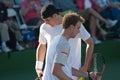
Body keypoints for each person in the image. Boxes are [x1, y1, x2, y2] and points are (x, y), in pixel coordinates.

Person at [35, 4, 94, 80]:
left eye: (47, 20)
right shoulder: (62, 43)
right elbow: (56, 70)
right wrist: (38, 68)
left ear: (55, 16)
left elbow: (90, 43)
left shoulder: (74, 26)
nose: (46, 23)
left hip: (73, 72)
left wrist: (85, 69)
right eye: (44, 21)